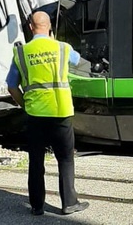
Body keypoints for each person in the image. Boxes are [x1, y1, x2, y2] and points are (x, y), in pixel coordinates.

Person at [6, 11, 89, 216]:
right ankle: (69, 203)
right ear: (49, 26)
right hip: (60, 112)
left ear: (31, 27)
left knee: (36, 161)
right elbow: (80, 63)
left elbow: (11, 86)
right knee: (66, 159)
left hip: (35, 114)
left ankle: (36, 206)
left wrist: (24, 104)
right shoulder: (62, 48)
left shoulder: (21, 52)